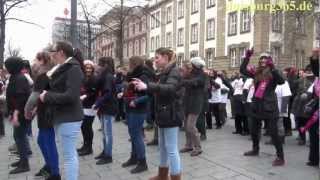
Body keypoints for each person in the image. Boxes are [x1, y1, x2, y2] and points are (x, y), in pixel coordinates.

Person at [132, 47, 182, 180]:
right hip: (163, 114)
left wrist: (148, 86)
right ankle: (162, 175)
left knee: (171, 149)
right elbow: (159, 91)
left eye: (157, 57)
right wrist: (145, 86)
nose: (155, 60)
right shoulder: (163, 72)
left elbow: (170, 89)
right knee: (163, 147)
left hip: (171, 115)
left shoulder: (174, 71)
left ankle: (176, 177)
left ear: (166, 57)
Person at [39, 41, 84, 180]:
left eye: (53, 51)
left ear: (61, 52)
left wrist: (47, 96)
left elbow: (71, 96)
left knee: (69, 156)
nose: (51, 54)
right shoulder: (64, 68)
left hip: (69, 117)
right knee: (69, 154)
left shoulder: (73, 69)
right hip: (63, 116)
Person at [241, 49, 285, 166]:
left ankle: (280, 157)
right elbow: (242, 70)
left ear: (269, 60)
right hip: (257, 105)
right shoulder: (256, 73)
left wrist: (273, 68)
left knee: (273, 133)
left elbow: (281, 81)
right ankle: (255, 150)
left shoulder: (273, 73)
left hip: (269, 106)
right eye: (261, 58)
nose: (263, 60)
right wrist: (247, 57)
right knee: (254, 130)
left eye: (265, 58)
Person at [25, 51, 61, 180]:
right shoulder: (48, 73)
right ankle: (49, 166)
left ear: (41, 61)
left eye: (36, 59)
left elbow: (34, 96)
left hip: (47, 112)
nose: (34, 61)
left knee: (48, 141)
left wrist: (27, 110)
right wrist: (35, 109)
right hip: (46, 110)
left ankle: (55, 172)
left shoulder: (43, 74)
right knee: (42, 140)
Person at [121, 56, 152, 173]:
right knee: (133, 135)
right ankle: (134, 158)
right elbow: (131, 90)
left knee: (137, 135)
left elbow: (149, 94)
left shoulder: (143, 75)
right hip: (130, 108)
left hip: (138, 109)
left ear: (134, 64)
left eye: (130, 63)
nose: (128, 65)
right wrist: (123, 94)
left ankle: (142, 162)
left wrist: (136, 101)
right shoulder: (132, 74)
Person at [5, 56, 32, 174]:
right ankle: (22, 160)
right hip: (18, 112)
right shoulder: (15, 77)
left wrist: (15, 114)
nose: (6, 68)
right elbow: (12, 97)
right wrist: (11, 112)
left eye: (7, 66)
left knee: (19, 137)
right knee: (18, 136)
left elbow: (21, 99)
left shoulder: (19, 78)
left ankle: (24, 164)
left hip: (21, 113)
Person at [93, 57, 118, 165]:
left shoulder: (108, 77)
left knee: (107, 133)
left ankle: (108, 156)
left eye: (99, 64)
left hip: (109, 107)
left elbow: (107, 93)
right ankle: (105, 152)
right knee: (104, 132)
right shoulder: (105, 76)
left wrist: (98, 103)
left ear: (105, 65)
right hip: (105, 107)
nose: (97, 66)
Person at [179, 57, 206, 156]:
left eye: (192, 65)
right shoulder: (191, 74)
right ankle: (188, 145)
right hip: (188, 102)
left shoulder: (202, 75)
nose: (191, 67)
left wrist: (183, 81)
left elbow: (195, 82)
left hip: (196, 104)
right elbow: (184, 79)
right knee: (186, 126)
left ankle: (198, 147)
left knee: (190, 126)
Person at [77, 60, 98, 156]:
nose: (88, 70)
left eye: (90, 68)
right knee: (83, 126)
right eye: (87, 68)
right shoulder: (83, 78)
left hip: (90, 105)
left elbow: (94, 92)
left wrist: (85, 95)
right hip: (83, 105)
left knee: (87, 127)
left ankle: (89, 148)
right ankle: (85, 145)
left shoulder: (94, 78)